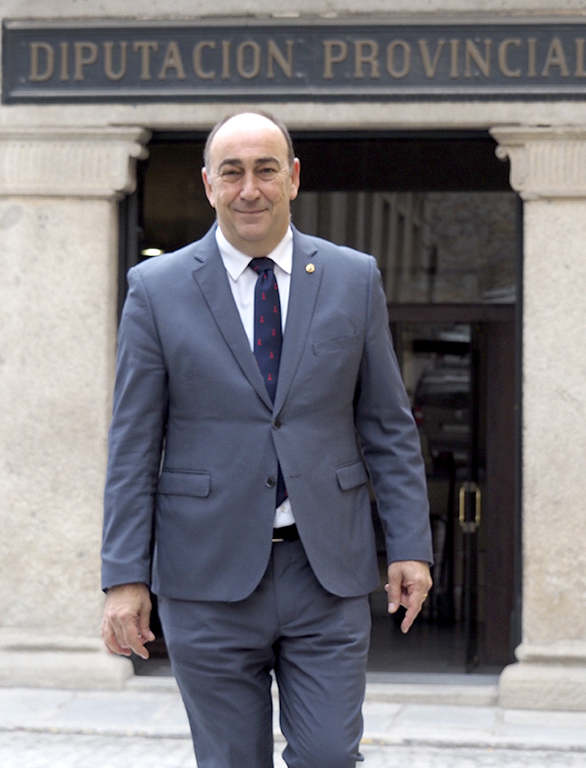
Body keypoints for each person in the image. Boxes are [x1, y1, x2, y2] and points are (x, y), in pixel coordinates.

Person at [100, 111, 433, 768]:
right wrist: (124, 578)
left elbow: (388, 428)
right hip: (206, 574)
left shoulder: (351, 277)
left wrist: (410, 547)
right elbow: (133, 446)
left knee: (330, 756)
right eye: (232, 172)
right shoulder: (157, 289)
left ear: (294, 178)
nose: (249, 188)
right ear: (208, 185)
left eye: (265, 169)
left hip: (325, 571)